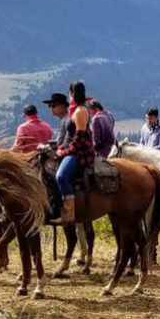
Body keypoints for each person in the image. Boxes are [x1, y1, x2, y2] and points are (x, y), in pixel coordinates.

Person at [52, 81, 94, 223]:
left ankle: (69, 213)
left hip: (79, 153)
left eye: (70, 93)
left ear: (72, 93)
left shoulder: (80, 111)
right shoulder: (75, 110)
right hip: (71, 150)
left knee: (61, 176)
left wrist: (64, 152)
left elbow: (79, 139)